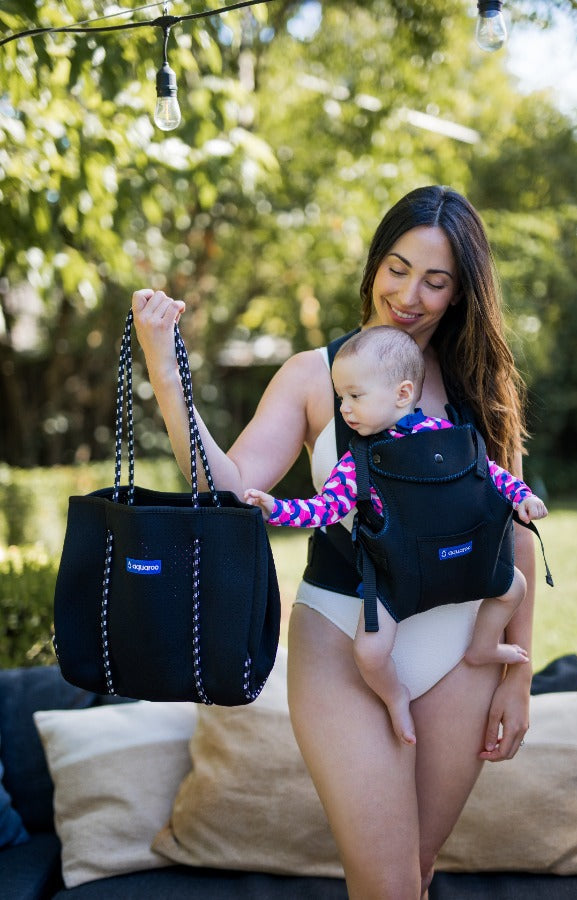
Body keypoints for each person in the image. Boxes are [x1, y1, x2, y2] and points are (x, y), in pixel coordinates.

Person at [132, 185, 537, 900]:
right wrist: (167, 372)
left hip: (465, 649)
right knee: (384, 884)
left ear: (461, 293)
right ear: (375, 263)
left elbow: (514, 531)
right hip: (343, 642)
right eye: (398, 268)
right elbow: (229, 490)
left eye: (436, 281)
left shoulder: (480, 385)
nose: (410, 294)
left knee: (413, 874)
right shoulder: (315, 376)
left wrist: (517, 674)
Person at [243, 325, 547, 746]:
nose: (344, 407)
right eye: (341, 397)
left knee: (514, 586)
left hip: (457, 563)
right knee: (369, 652)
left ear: (403, 394)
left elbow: (492, 475)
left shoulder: (446, 436)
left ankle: (482, 646)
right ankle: (394, 696)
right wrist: (275, 508)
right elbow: (323, 510)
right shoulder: (355, 462)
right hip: (396, 578)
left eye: (355, 395)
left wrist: (523, 498)